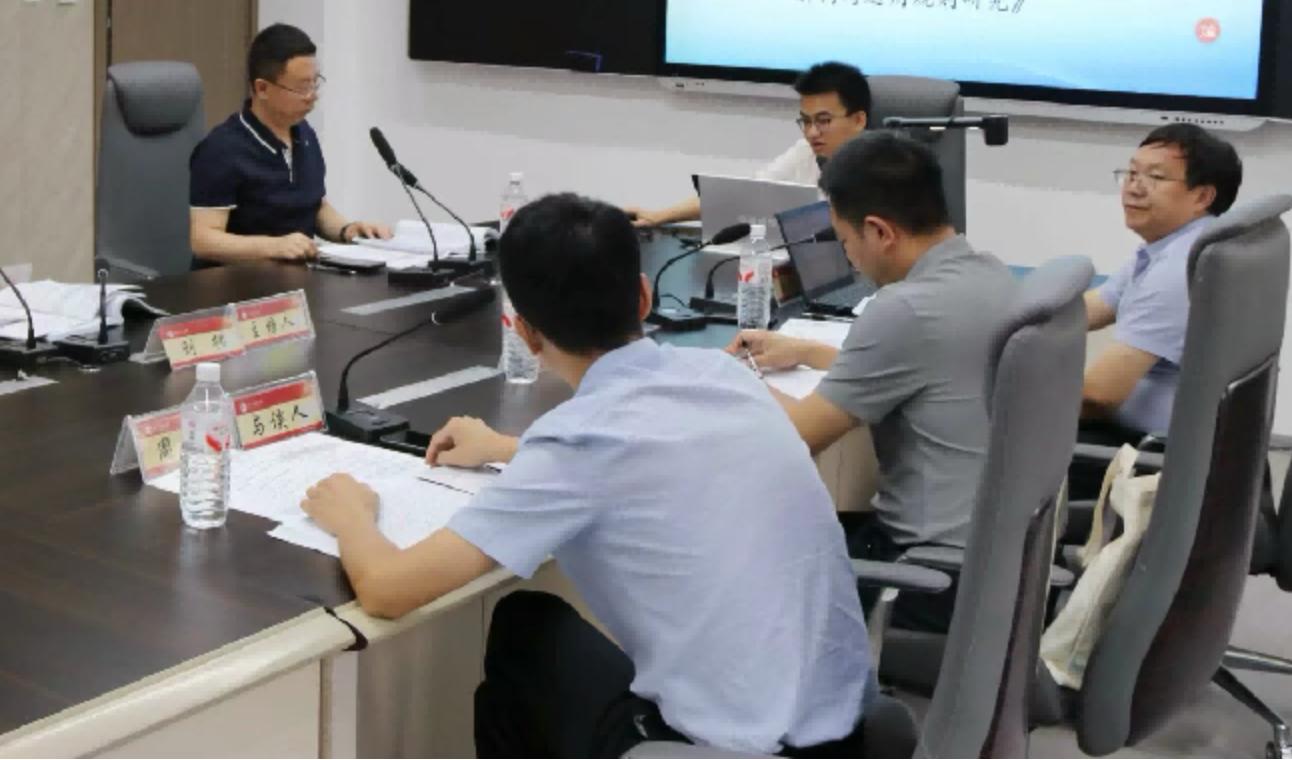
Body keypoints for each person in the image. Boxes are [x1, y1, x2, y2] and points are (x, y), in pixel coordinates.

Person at [300, 194, 872, 759]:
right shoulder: (726, 376)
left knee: (521, 636)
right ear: (644, 296)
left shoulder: (575, 444)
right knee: (532, 623)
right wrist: (506, 448)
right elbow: (650, 451)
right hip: (850, 729)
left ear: (524, 332)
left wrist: (352, 518)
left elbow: (388, 589)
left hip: (739, 747)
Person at [728, 131, 1015, 632]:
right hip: (997, 564)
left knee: (748, 569)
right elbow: (933, 363)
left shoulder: (903, 310)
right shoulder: (992, 275)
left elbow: (790, 440)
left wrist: (735, 375)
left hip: (928, 579)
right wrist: (809, 352)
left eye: (845, 242)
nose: (849, 258)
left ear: (879, 232)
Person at [1081, 123, 1242, 445]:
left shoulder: (1179, 269)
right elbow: (1095, 306)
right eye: (1131, 173)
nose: (1133, 188)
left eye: (1154, 177)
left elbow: (1098, 397)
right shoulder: (1181, 244)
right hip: (1189, 440)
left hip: (1152, 451)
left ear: (1202, 196)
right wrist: (1005, 318)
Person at [188, 24, 390, 264]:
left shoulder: (305, 134)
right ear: (262, 88)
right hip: (238, 281)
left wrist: (348, 230)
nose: (312, 95)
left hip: (298, 277)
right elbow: (204, 240)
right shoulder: (222, 149)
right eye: (303, 87)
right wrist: (273, 246)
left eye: (315, 83)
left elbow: (314, 207)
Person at [625, 60, 870, 228]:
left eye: (823, 121)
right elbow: (746, 195)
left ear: (859, 120)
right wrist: (659, 216)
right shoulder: (805, 152)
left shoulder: (882, 169)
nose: (811, 132)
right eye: (806, 121)